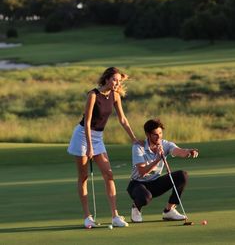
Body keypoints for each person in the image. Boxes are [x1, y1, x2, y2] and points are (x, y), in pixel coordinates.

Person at [68, 67, 138, 228]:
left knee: (109, 174)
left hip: (98, 137)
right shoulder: (93, 95)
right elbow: (86, 122)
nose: (117, 83)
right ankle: (88, 217)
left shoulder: (115, 96)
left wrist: (133, 138)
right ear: (106, 79)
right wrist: (89, 148)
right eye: (114, 80)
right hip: (82, 137)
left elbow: (123, 120)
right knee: (83, 177)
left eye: (119, 81)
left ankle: (115, 215)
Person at [127, 118, 199, 223]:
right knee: (145, 197)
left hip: (155, 183)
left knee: (182, 175)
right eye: (155, 134)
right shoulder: (138, 147)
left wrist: (189, 151)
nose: (159, 136)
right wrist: (158, 159)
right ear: (148, 134)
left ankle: (169, 210)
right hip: (137, 184)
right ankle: (136, 208)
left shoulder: (165, 144)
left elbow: (179, 151)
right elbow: (142, 172)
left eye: (160, 133)